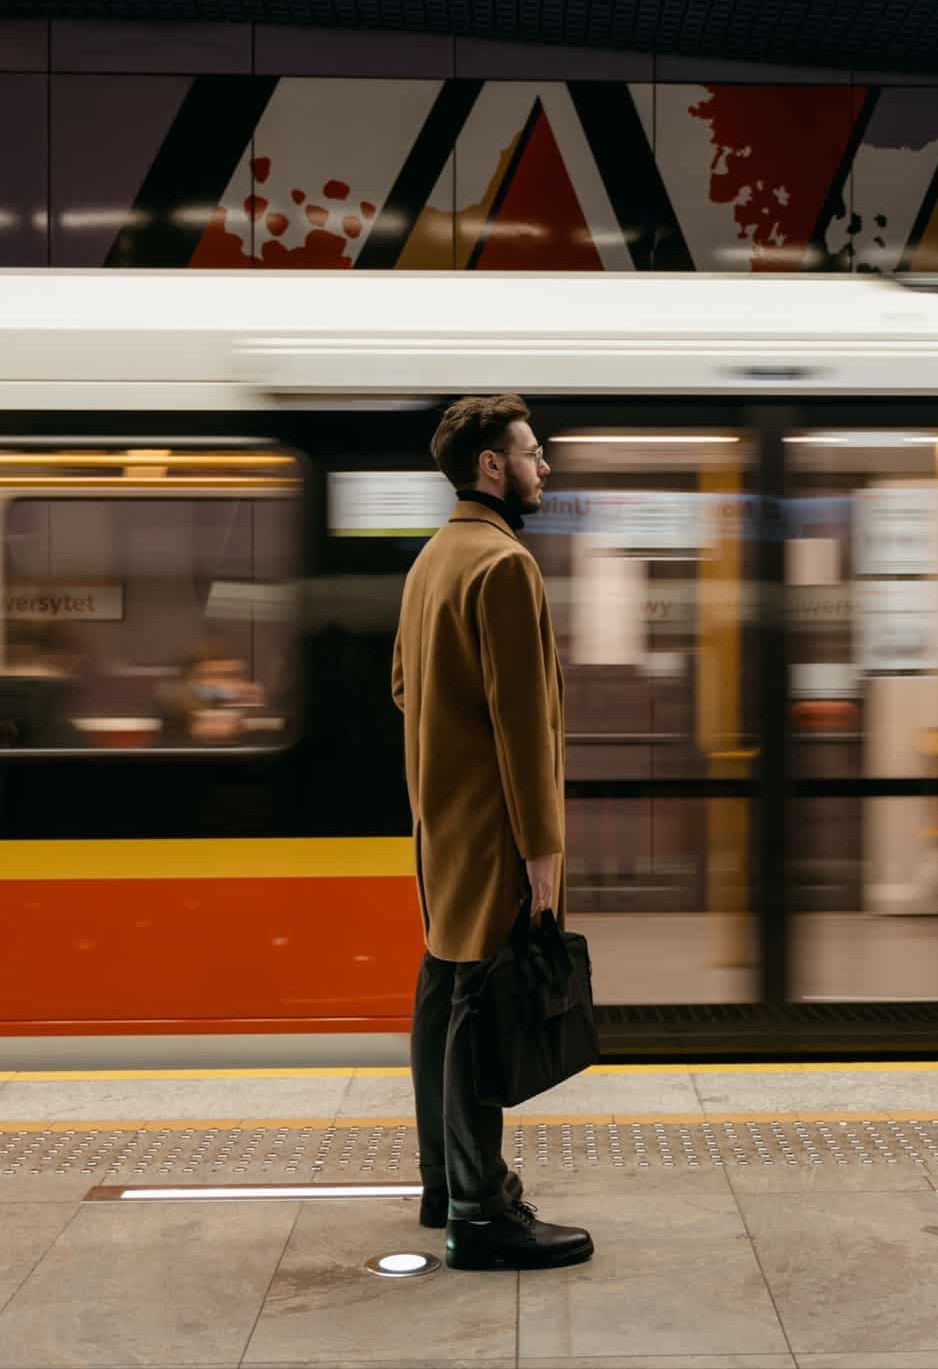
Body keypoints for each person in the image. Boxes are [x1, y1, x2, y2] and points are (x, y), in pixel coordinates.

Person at [391, 394, 594, 1271]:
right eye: (532, 453)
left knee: (444, 986)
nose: (544, 467)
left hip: (441, 820)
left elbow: (405, 689)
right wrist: (542, 851)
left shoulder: (434, 559)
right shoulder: (503, 568)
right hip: (493, 829)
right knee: (481, 1006)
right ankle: (478, 1214)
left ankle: (444, 1180)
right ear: (491, 466)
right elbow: (524, 726)